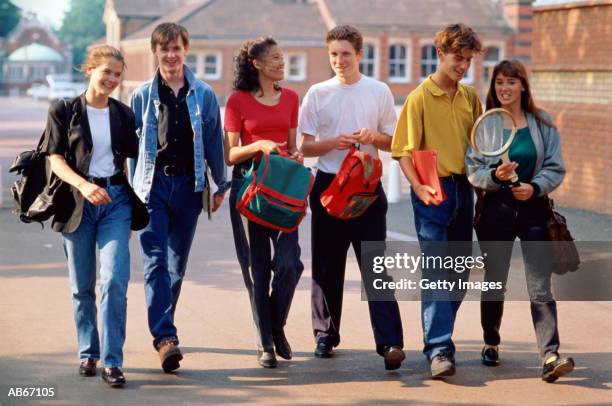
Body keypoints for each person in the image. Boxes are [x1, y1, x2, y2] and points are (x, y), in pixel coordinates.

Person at [299, 25, 405, 370]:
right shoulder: (317, 92)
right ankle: (325, 335)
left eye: (346, 53)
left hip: (367, 187)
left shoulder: (378, 91)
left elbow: (395, 142)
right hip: (329, 186)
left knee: (375, 266)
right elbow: (304, 145)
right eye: (333, 54)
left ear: (360, 54)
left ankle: (389, 342)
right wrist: (334, 142)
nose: (339, 60)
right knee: (327, 266)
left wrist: (373, 136)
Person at [465, 59, 574, 382]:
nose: (505, 88)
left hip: (534, 211)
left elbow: (555, 166)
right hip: (495, 212)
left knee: (540, 285)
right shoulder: (485, 125)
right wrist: (495, 177)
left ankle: (550, 354)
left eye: (512, 82)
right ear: (493, 86)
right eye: (500, 82)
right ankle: (491, 342)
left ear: (523, 86)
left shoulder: (542, 123)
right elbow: (473, 169)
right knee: (495, 281)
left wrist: (535, 186)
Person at [129, 22, 229, 373]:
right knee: (154, 262)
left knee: (175, 266)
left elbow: (216, 141)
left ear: (186, 50)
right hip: (152, 187)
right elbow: (133, 149)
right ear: (155, 52)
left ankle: (162, 325)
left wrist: (221, 184)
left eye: (176, 48)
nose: (170, 55)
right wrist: (131, 192)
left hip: (190, 187)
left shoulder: (203, 94)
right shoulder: (142, 95)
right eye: (163, 49)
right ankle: (165, 338)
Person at [43, 45, 143, 387]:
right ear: (89, 70)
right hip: (77, 203)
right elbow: (54, 158)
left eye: (117, 74)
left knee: (114, 280)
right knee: (81, 286)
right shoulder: (63, 109)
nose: (112, 79)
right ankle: (88, 351)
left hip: (116, 202)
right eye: (106, 72)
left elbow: (128, 162)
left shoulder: (123, 114)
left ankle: (113, 362)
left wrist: (129, 209)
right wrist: (84, 186)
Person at [391, 23, 483, 378]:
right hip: (432, 191)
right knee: (436, 272)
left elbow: (480, 144)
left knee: (458, 274)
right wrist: (418, 188)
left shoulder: (471, 97)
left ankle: (436, 335)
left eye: (468, 60)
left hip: (465, 189)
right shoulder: (418, 98)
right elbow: (402, 152)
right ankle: (440, 349)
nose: (462, 66)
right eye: (457, 58)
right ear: (440, 53)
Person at [224, 37, 304, 369]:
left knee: (290, 264)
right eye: (274, 58)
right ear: (256, 64)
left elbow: (291, 146)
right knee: (257, 270)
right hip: (248, 188)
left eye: (282, 57)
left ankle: (275, 324)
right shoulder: (237, 101)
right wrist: (259, 146)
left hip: (283, 186)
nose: (281, 62)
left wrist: (295, 154)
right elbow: (230, 155)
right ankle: (266, 342)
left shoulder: (291, 98)